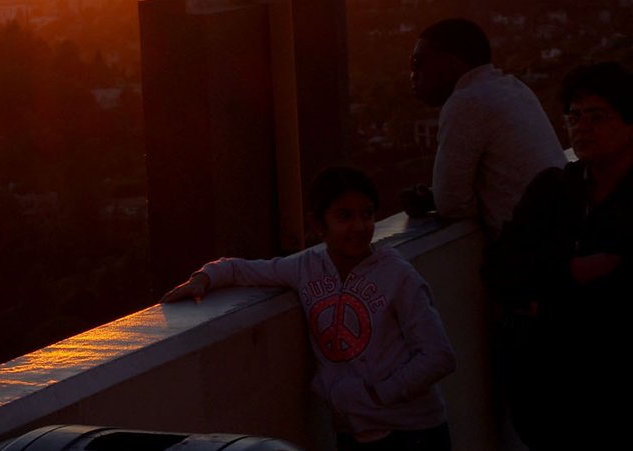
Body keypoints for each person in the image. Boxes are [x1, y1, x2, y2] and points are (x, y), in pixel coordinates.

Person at [163, 167, 456, 450]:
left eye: (367, 214)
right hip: (352, 432)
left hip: (415, 432)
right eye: (344, 216)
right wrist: (203, 278)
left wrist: (377, 395)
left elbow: (438, 356)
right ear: (317, 225)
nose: (359, 226)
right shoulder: (306, 268)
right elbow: (242, 270)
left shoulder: (398, 276)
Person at [484, 61, 633, 450]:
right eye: (574, 116)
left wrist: (542, 296)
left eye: (596, 116)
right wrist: (572, 273)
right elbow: (499, 269)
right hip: (547, 401)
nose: (581, 127)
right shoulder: (552, 190)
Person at [404, 18, 563, 236]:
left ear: (449, 64)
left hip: (537, 244)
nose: (413, 74)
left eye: (417, 62)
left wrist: (440, 200)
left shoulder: (466, 102)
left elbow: (451, 204)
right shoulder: (514, 88)